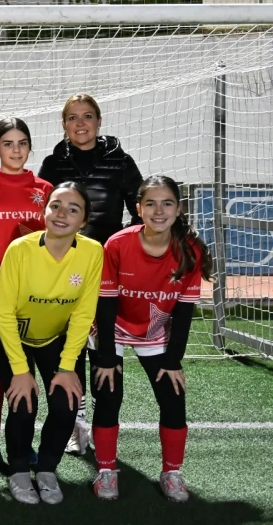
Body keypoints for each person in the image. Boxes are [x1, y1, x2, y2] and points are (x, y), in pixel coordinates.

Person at [90, 175, 210, 503]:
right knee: (108, 391)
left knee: (173, 397)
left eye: (167, 203)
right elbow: (106, 303)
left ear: (178, 208)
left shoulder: (190, 251)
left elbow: (184, 313)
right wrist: (107, 357)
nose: (159, 211)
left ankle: (171, 472)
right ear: (139, 208)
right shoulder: (117, 244)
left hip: (155, 332)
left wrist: (173, 362)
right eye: (151, 204)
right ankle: (106, 470)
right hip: (112, 326)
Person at [38, 94, 144, 455]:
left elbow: (140, 212)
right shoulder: (52, 165)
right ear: (64, 125)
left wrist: (121, 255)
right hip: (64, 275)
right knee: (71, 350)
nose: (80, 123)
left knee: (105, 351)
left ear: (99, 122)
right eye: (72, 118)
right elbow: (42, 216)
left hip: (106, 275)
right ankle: (75, 424)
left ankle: (103, 424)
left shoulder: (121, 162)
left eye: (87, 117)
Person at [0, 182, 103, 505]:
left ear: (83, 220)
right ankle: (20, 471)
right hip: (8, 334)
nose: (61, 214)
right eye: (55, 205)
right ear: (45, 210)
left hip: (52, 337)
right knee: (24, 403)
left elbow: (82, 314)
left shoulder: (93, 252)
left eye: (73, 209)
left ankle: (47, 470)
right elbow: (4, 311)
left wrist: (67, 367)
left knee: (66, 403)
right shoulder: (20, 249)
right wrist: (21, 371)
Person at [0, 118, 53, 466]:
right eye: (8, 143)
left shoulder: (46, 190)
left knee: (25, 371)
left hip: (34, 294)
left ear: (30, 147)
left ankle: (21, 440)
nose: (15, 150)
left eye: (21, 143)